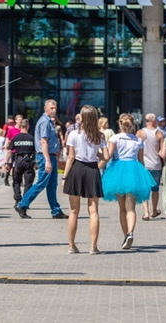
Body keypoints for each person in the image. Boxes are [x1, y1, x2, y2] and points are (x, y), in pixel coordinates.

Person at [101, 113, 155, 249]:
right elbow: (141, 160)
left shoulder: (114, 138)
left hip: (118, 170)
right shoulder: (138, 140)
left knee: (122, 208)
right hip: (134, 170)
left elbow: (108, 156)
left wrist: (98, 166)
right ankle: (130, 233)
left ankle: (126, 235)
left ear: (120, 124)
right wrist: (143, 176)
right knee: (131, 208)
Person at [62, 105, 109, 254]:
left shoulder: (74, 134)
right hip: (92, 170)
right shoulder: (100, 135)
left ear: (82, 117)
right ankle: (93, 247)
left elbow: (70, 157)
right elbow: (106, 157)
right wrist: (97, 158)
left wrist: (64, 176)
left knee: (73, 211)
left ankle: (71, 246)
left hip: (76, 169)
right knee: (93, 211)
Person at [16, 99, 68, 219]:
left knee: (52, 185)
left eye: (55, 108)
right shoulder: (45, 122)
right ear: (45, 109)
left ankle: (56, 210)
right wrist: (48, 161)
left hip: (51, 156)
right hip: (46, 156)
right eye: (51, 108)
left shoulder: (49, 122)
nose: (54, 110)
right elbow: (43, 142)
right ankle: (23, 204)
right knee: (41, 183)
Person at [136, 113, 164, 220]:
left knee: (144, 189)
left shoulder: (140, 133)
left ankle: (146, 212)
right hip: (156, 164)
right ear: (153, 121)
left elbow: (137, 149)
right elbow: (162, 150)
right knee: (155, 189)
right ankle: (154, 210)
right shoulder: (159, 134)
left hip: (144, 164)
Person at [7, 119, 35, 210]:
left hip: (18, 160)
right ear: (28, 126)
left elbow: (9, 151)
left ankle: (17, 200)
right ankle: (25, 202)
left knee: (16, 181)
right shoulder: (31, 138)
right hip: (28, 160)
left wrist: (7, 163)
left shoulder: (16, 137)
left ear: (20, 126)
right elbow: (36, 151)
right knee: (28, 183)